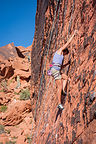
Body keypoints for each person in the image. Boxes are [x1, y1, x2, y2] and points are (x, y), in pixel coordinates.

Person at [48, 30, 78, 110]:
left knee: (66, 78)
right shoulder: (60, 51)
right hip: (55, 70)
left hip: (56, 70)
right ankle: (59, 103)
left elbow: (60, 67)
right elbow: (67, 43)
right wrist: (73, 35)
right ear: (64, 51)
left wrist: (67, 64)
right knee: (59, 86)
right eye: (65, 53)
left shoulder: (60, 57)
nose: (64, 55)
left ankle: (63, 91)